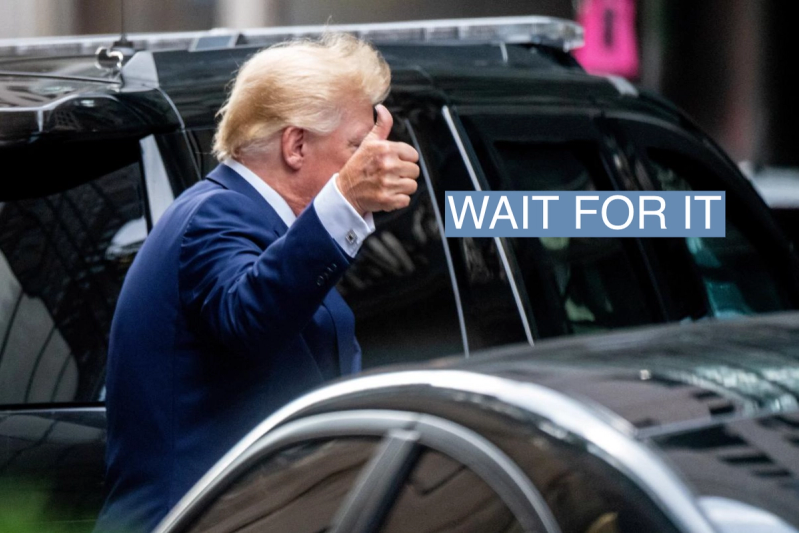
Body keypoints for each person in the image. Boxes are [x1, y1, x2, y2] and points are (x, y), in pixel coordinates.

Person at [94, 33, 419, 533]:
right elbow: (250, 316)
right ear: (296, 145)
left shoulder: (258, 222)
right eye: (355, 146)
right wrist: (346, 200)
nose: (368, 161)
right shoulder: (213, 214)